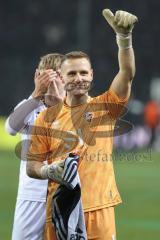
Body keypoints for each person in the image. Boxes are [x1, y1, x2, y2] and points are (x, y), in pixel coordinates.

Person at [27, 9, 138, 240]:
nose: (79, 78)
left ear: (92, 75)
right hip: (61, 210)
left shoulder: (106, 106)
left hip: (99, 209)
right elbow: (32, 166)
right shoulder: (45, 118)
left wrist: (124, 40)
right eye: (72, 73)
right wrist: (48, 170)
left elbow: (126, 74)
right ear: (62, 76)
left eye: (84, 73)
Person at [5, 53, 65, 240]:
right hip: (32, 193)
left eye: (57, 77)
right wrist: (36, 94)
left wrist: (60, 100)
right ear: (36, 77)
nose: (51, 83)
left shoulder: (73, 108)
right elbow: (10, 128)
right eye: (45, 77)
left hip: (63, 193)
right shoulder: (30, 106)